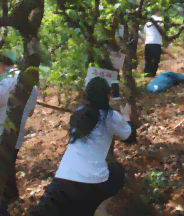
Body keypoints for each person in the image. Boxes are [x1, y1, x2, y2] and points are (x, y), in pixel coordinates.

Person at [29, 77, 136, 216]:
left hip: (63, 182)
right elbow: (130, 138)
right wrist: (126, 116)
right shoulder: (111, 117)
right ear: (108, 95)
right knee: (117, 170)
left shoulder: (79, 113)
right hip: (92, 186)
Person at [0, 56, 39, 216]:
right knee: (6, 173)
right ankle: (14, 203)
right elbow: (31, 112)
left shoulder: (2, 80)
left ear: (0, 65)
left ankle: (3, 210)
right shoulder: (30, 84)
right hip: (15, 140)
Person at [143, 10, 166, 77]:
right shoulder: (159, 19)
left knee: (148, 61)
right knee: (155, 60)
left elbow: (145, 34)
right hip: (156, 42)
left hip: (148, 43)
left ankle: (146, 76)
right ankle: (152, 75)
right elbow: (162, 30)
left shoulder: (147, 23)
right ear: (157, 12)